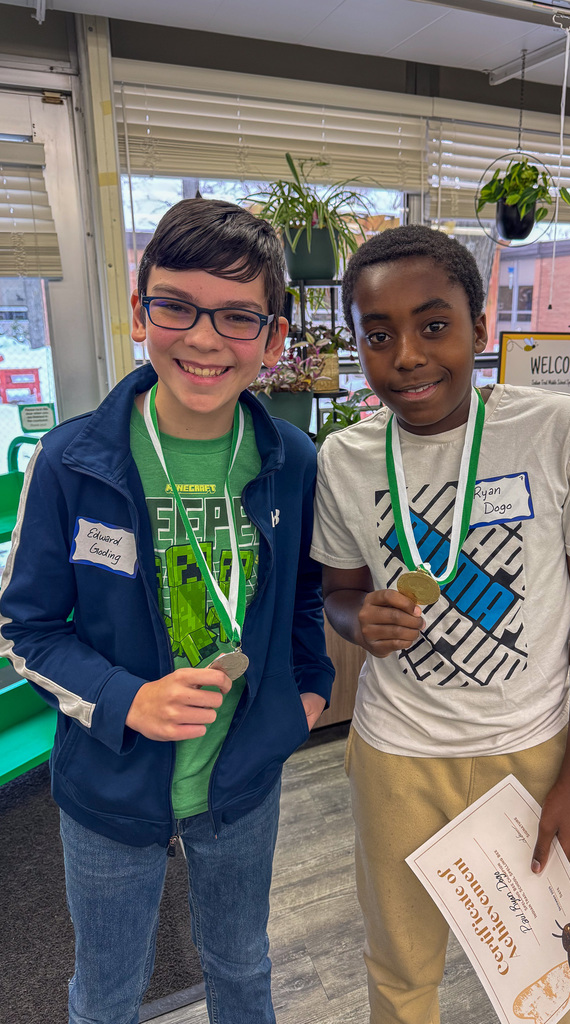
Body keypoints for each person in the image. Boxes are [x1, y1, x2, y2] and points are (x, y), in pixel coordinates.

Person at [0, 197, 334, 1024]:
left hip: (242, 779)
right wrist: (127, 701)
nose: (205, 339)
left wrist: (306, 696)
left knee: (242, 966)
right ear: (139, 311)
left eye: (238, 316)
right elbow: (26, 630)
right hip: (110, 784)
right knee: (107, 991)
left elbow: (303, 594)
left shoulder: (291, 458)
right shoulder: (73, 459)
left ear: (274, 338)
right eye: (177, 306)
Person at [310, 224, 570, 1024]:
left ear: (480, 327)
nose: (408, 356)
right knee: (400, 972)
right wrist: (360, 620)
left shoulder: (560, 430)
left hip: (531, 753)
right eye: (378, 335)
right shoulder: (346, 458)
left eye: (434, 325)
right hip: (397, 757)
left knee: (543, 970)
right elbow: (339, 594)